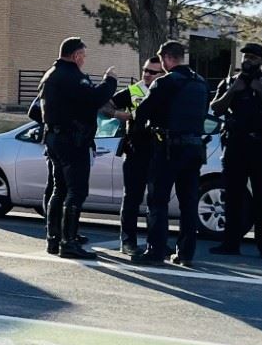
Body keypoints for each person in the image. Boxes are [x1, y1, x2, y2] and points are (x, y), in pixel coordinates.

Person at [38, 38, 118, 259]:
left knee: (60, 189)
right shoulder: (72, 76)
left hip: (54, 138)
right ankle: (68, 242)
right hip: (72, 140)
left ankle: (54, 238)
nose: (84, 59)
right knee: (77, 190)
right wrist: (110, 81)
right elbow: (95, 98)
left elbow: (39, 109)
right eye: (83, 55)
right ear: (75, 55)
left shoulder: (50, 75)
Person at [133, 40, 211, 267]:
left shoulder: (165, 82)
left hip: (168, 149)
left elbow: (142, 112)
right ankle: (185, 253)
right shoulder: (201, 83)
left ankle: (155, 250)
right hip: (194, 148)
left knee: (158, 201)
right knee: (188, 202)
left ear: (167, 58)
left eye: (162, 60)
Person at [209, 41, 262, 258]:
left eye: (252, 57)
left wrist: (260, 91)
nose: (247, 61)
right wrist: (232, 91)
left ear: (261, 61)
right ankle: (230, 244)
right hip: (236, 145)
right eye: (245, 57)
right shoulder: (230, 83)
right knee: (233, 196)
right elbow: (216, 109)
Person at [104, 56, 166, 257]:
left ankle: (155, 243)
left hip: (158, 151)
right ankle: (128, 241)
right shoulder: (134, 90)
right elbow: (105, 105)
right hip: (135, 150)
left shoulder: (166, 89)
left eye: (152, 72)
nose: (147, 74)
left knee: (157, 199)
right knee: (132, 197)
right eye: (145, 70)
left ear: (162, 74)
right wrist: (118, 115)